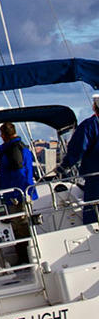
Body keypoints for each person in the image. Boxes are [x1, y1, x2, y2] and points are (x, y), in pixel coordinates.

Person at [58, 94, 99, 225]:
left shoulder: (90, 125)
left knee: (93, 216)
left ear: (94, 107)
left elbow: (78, 148)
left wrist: (64, 166)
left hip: (96, 180)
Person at [0, 122, 38, 201]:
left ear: (5, 135)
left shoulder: (12, 151)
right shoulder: (23, 147)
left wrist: (16, 195)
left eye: (1, 134)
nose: (0, 136)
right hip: (26, 192)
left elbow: (17, 173)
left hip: (17, 195)